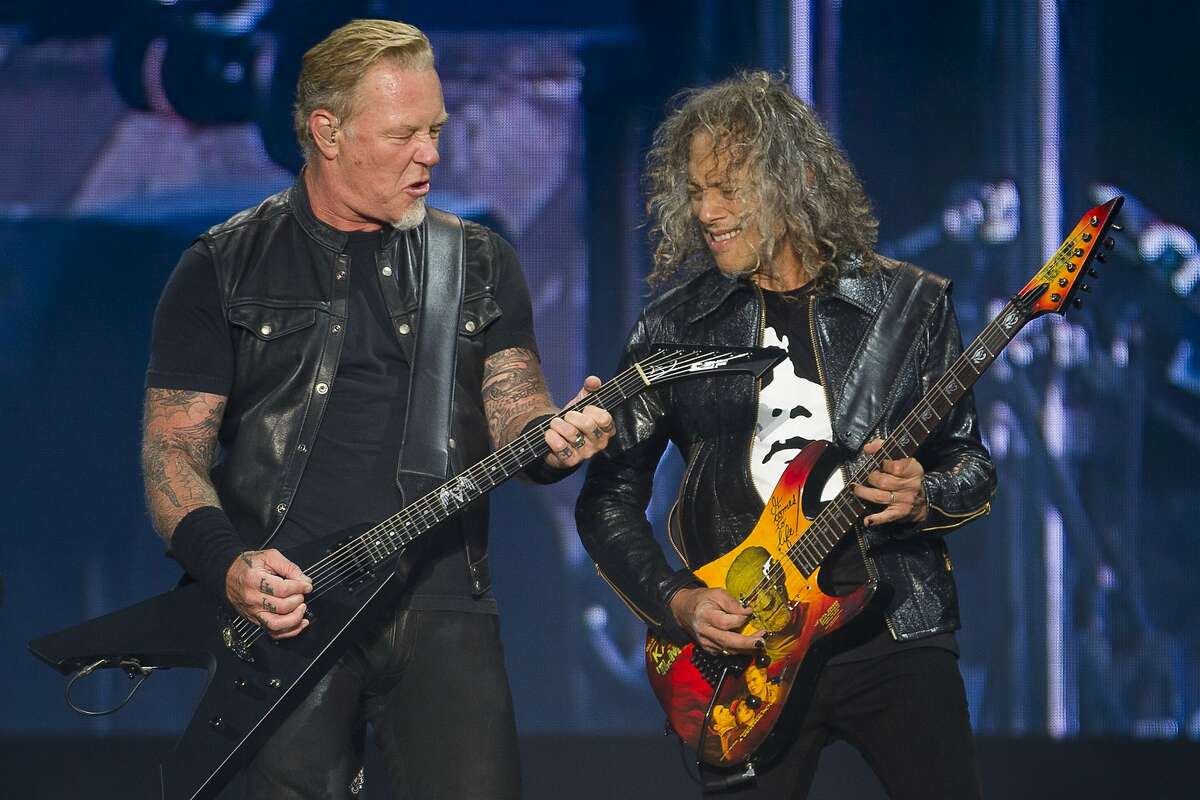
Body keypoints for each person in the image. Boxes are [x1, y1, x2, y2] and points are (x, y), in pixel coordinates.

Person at [141, 19, 613, 799]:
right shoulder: (220, 266)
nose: (431, 154)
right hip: (288, 615)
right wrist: (230, 567)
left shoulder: (479, 258)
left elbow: (517, 408)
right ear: (327, 132)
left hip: (441, 610)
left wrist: (554, 440)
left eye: (435, 130)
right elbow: (171, 455)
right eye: (404, 134)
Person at [575, 71, 996, 799]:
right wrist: (677, 603)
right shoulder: (674, 330)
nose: (707, 211)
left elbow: (970, 463)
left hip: (896, 628)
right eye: (696, 190)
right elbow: (606, 500)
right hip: (747, 656)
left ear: (795, 178)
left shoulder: (906, 306)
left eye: (729, 188)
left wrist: (924, 494)